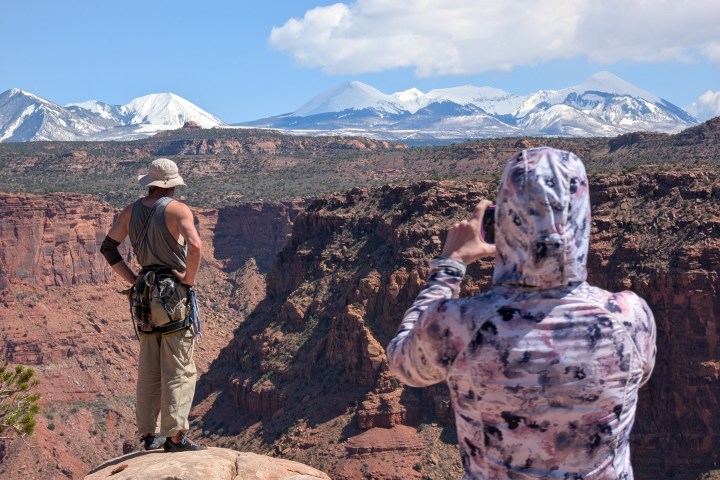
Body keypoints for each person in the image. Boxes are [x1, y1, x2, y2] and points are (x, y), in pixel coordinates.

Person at [387, 147, 656, 479]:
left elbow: (402, 362)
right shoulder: (631, 317)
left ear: (503, 221)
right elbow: (639, 377)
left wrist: (450, 265)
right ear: (581, 217)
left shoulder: (459, 325)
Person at [100, 157, 207, 452]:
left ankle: (149, 434)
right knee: (179, 368)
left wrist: (134, 280)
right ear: (172, 185)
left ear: (150, 183)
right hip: (172, 297)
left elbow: (108, 247)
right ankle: (175, 437)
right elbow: (195, 246)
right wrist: (188, 279)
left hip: (143, 297)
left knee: (149, 367)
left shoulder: (130, 211)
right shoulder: (178, 209)